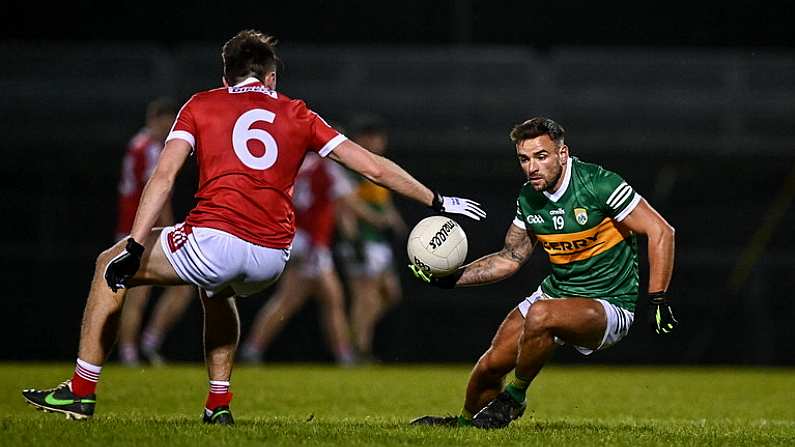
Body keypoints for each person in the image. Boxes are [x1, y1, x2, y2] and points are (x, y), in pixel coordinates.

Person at [21, 29, 486, 425]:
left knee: (108, 263)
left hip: (215, 239)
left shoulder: (201, 105)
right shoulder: (299, 112)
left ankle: (80, 392)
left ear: (225, 76)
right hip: (271, 257)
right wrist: (438, 199)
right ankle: (219, 404)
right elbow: (372, 167)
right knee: (217, 290)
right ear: (271, 77)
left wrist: (136, 245)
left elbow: (163, 177)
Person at [409, 117, 677, 429]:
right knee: (491, 365)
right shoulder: (529, 197)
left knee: (540, 315)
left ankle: (514, 398)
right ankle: (467, 425)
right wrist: (452, 279)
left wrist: (657, 297)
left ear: (563, 154)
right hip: (556, 294)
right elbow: (510, 257)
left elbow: (661, 231)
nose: (532, 167)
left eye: (541, 156)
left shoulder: (599, 184)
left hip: (608, 304)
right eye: (524, 159)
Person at [239, 150, 387, 365]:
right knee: (306, 299)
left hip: (296, 237)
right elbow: (349, 202)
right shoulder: (329, 168)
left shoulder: (302, 164)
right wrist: (377, 220)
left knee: (316, 299)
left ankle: (343, 355)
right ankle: (253, 349)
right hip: (312, 243)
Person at [114, 97, 194, 367]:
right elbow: (158, 192)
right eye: (167, 124)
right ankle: (134, 351)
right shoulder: (149, 149)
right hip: (142, 232)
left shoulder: (139, 144)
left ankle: (144, 345)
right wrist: (169, 229)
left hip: (132, 229)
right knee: (140, 294)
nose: (169, 130)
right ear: (155, 120)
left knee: (177, 288)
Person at [336, 114, 407, 361]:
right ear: (362, 139)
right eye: (374, 136)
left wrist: (394, 221)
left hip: (378, 240)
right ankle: (358, 349)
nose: (380, 141)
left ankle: (353, 337)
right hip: (361, 238)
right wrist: (354, 235)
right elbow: (345, 202)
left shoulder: (377, 164)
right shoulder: (353, 165)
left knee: (389, 294)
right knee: (364, 295)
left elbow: (381, 201)